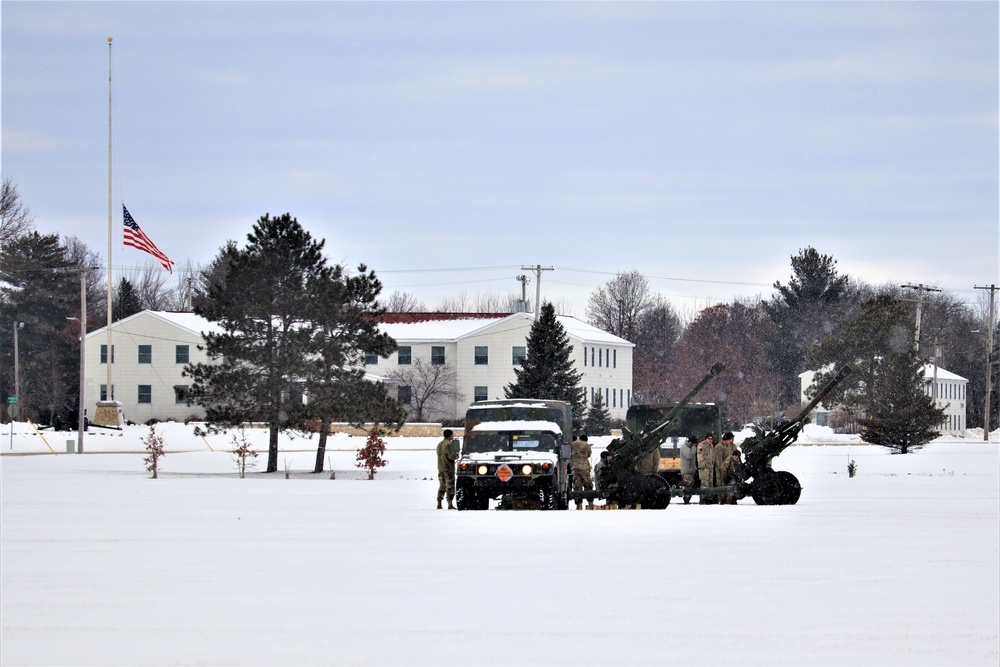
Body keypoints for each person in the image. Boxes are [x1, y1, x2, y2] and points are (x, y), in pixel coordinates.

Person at [436, 429, 458, 509]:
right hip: (448, 468)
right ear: (450, 435)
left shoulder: (439, 444)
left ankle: (439, 502)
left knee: (442, 485)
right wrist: (456, 456)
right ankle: (450, 504)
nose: (453, 436)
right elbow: (451, 456)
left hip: (440, 468)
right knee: (450, 486)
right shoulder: (449, 444)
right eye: (452, 435)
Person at [571, 434, 594, 509]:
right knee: (588, 485)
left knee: (577, 486)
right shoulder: (585, 444)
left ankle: (579, 505)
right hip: (585, 468)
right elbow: (589, 454)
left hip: (575, 468)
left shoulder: (572, 445)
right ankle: (590, 503)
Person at [715, 432, 737, 504]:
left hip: (730, 470)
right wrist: (721, 469)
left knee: (729, 484)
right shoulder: (719, 447)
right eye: (730, 439)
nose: (731, 441)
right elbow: (718, 460)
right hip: (722, 470)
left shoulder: (731, 446)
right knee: (721, 485)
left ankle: (729, 500)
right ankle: (722, 501)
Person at [696, 433, 717, 504]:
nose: (710, 440)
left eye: (711, 439)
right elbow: (700, 456)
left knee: (710, 483)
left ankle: (708, 498)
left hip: (710, 467)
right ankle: (702, 499)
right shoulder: (701, 445)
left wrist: (712, 463)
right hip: (704, 467)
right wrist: (704, 464)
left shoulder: (711, 446)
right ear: (706, 439)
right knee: (704, 483)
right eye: (709, 439)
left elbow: (712, 456)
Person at [679, 435, 699, 504]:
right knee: (687, 486)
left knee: (690, 485)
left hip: (691, 470)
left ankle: (687, 499)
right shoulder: (684, 447)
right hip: (686, 470)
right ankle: (686, 500)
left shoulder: (690, 448)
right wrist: (693, 448)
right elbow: (689, 456)